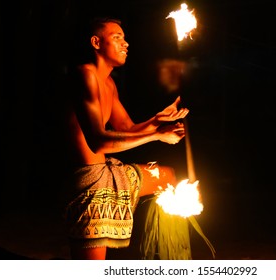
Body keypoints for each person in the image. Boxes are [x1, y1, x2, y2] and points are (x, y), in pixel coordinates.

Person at [60, 16, 189, 260]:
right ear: (96, 42)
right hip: (88, 182)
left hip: (107, 172)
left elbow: (127, 127)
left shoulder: (108, 83)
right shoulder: (84, 76)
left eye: (125, 38)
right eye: (117, 37)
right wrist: (156, 135)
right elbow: (98, 141)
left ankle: (163, 258)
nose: (126, 43)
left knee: (167, 177)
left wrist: (156, 120)